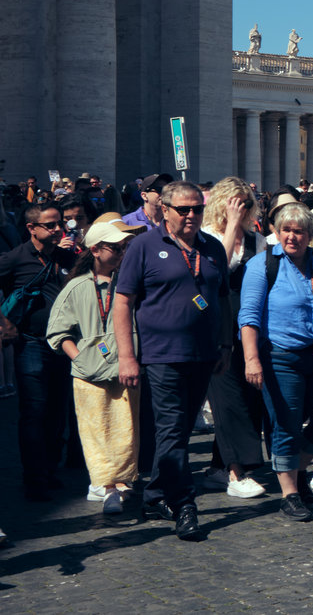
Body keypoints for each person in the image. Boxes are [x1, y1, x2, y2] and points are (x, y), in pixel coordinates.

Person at [113, 181, 232, 540]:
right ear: (165, 210)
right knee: (171, 429)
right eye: (184, 209)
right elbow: (123, 302)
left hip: (204, 354)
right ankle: (184, 504)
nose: (192, 215)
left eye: (197, 208)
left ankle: (155, 496)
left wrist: (226, 344)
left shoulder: (213, 248)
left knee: (178, 431)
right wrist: (126, 356)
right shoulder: (144, 246)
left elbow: (222, 299)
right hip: (161, 355)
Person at [237, 202, 313, 522]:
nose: (292, 237)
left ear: (310, 235)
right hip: (280, 356)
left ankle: (297, 467)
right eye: (286, 230)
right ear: (276, 231)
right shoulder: (262, 264)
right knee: (286, 423)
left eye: (299, 231)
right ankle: (290, 493)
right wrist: (251, 359)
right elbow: (248, 316)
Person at [45, 217, 146, 514]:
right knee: (96, 430)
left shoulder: (129, 283)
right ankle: (106, 485)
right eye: (116, 248)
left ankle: (124, 482)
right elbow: (57, 332)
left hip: (125, 369)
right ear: (96, 250)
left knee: (126, 428)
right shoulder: (77, 287)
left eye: (124, 247)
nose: (122, 253)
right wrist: (80, 358)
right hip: (90, 375)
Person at [198, 178, 268, 500]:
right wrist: (231, 229)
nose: (241, 209)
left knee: (250, 397)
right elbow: (217, 271)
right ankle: (236, 472)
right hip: (217, 327)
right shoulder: (207, 237)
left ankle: (218, 467)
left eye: (246, 203)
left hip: (250, 328)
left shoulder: (258, 240)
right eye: (235, 203)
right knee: (227, 401)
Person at [0, 201, 75, 502]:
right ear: (32, 228)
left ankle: (49, 469)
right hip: (31, 343)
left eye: (60, 224)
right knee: (34, 410)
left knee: (57, 411)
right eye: (51, 225)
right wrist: (4, 322)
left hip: (64, 344)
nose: (58, 229)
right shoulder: (15, 258)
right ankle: (35, 478)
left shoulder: (65, 256)